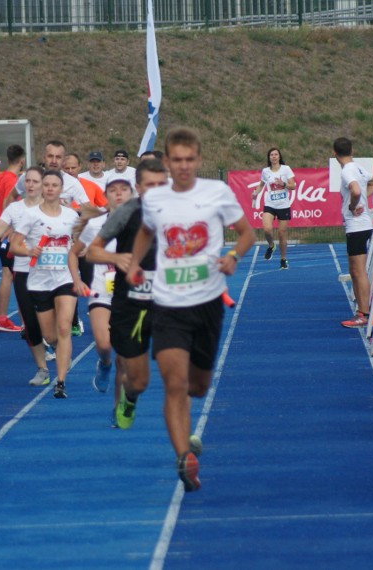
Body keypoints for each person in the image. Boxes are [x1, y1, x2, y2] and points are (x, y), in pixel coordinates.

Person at [127, 127, 255, 492]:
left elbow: (247, 233)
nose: (183, 166)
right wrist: (136, 263)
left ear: (198, 160)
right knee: (175, 385)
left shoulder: (217, 193)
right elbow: (147, 232)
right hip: (168, 305)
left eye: (189, 160)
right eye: (176, 160)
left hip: (208, 304)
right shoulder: (155, 200)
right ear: (166, 163)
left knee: (197, 386)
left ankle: (186, 448)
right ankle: (184, 457)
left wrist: (232, 256)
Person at [87, 159, 169, 430]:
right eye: (150, 185)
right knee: (137, 379)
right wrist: (115, 257)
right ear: (139, 187)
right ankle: (129, 399)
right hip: (130, 303)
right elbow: (92, 251)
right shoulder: (127, 214)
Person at [9, 170, 82, 399]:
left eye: (54, 185)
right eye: (47, 185)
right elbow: (14, 246)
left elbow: (80, 245)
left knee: (63, 328)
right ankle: (62, 352)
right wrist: (29, 250)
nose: (50, 188)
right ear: (43, 189)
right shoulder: (30, 216)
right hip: (39, 282)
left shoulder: (71, 216)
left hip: (65, 279)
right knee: (50, 336)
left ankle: (60, 382)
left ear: (61, 190)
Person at [69, 175, 134, 418]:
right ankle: (104, 363)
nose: (118, 194)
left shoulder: (142, 227)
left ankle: (119, 409)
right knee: (105, 345)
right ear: (106, 197)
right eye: (113, 190)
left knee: (125, 357)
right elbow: (74, 254)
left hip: (130, 296)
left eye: (124, 190)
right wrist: (77, 281)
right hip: (101, 292)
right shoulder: (96, 226)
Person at [0, 166, 50, 386]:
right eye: (28, 181)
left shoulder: (52, 208)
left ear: (43, 185)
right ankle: (42, 369)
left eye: (35, 181)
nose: (31, 185)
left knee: (51, 328)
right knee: (30, 325)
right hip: (23, 271)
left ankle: (60, 349)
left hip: (50, 273)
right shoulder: (14, 208)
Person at [333, 137, 373, 329]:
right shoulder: (358, 167)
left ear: (335, 153)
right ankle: (362, 310)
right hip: (360, 224)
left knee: (359, 271)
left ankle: (364, 313)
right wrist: (362, 203)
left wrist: (354, 206)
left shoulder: (348, 170)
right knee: (355, 270)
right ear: (352, 150)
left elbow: (355, 190)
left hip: (357, 225)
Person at [0, 144, 26, 333]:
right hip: (6, 230)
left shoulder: (1, 176)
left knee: (7, 273)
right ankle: (1, 317)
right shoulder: (13, 180)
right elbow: (9, 204)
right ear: (22, 161)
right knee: (9, 274)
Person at [251, 147, 295, 269]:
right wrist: (255, 192)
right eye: (272, 155)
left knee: (281, 233)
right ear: (269, 158)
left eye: (276, 154)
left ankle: (283, 259)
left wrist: (283, 184)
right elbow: (261, 186)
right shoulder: (265, 171)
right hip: (270, 203)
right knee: (266, 229)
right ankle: (271, 246)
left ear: (279, 156)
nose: (274, 156)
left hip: (283, 205)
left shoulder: (286, 169)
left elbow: (293, 186)